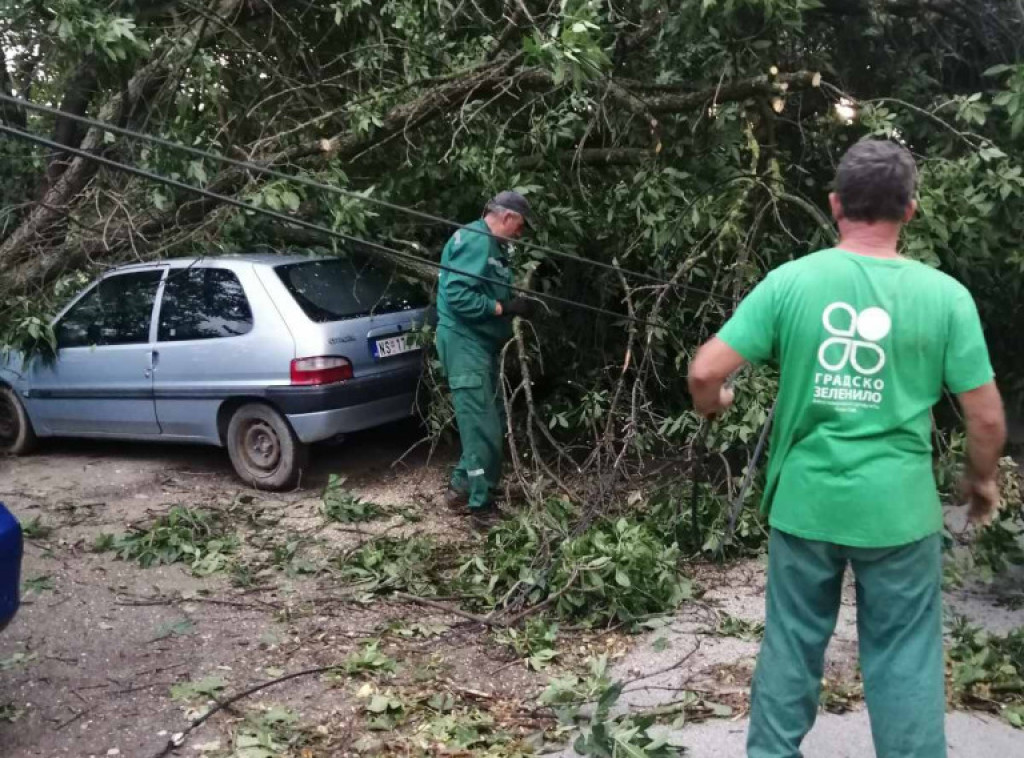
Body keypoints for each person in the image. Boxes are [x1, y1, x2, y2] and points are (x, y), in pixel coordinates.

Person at [687, 139, 1006, 758]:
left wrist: (715, 405)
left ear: (834, 204)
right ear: (909, 211)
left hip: (807, 503)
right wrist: (981, 479)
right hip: (899, 510)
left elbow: (705, 371)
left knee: (792, 642)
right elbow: (986, 418)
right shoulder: (946, 297)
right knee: (905, 655)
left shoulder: (792, 281)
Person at [435, 191, 537, 529]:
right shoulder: (477, 239)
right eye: (520, 226)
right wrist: (502, 308)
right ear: (507, 217)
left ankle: (461, 488)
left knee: (483, 419)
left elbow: (482, 288)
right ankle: (481, 507)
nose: (520, 234)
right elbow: (458, 295)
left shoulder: (493, 247)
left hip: (480, 346)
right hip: (464, 345)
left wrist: (511, 303)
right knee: (484, 429)